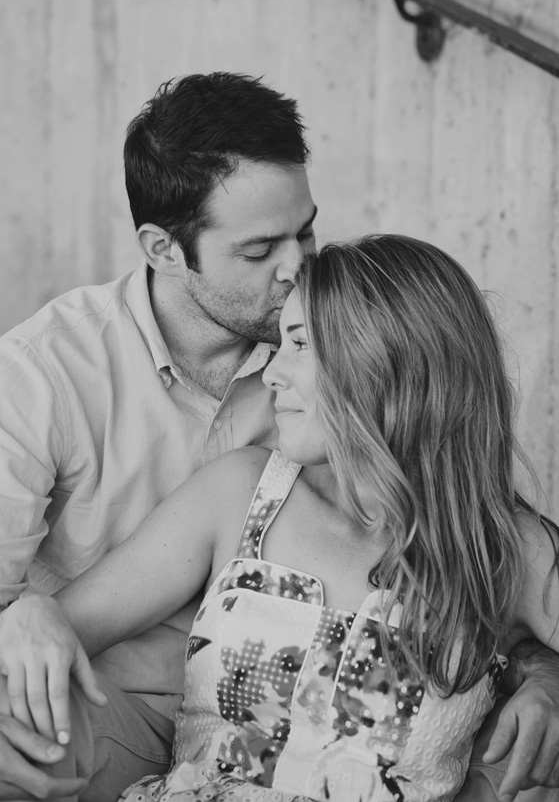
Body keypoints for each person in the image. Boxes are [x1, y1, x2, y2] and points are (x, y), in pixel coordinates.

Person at [2, 235, 559, 802]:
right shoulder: (242, 491)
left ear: (383, 363)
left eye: (298, 345)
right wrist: (30, 614)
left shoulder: (505, 547)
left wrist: (550, 682)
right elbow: (66, 628)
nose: (270, 374)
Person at [0, 71, 316, 800]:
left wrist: (539, 669)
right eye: (260, 248)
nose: (296, 268)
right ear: (163, 248)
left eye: (304, 231)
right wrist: (15, 614)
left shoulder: (332, 347)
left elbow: (467, 523)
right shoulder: (45, 368)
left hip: (289, 705)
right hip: (104, 697)